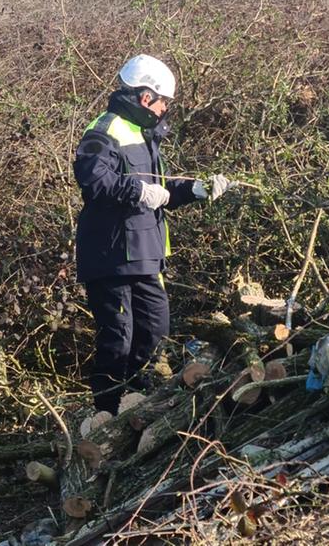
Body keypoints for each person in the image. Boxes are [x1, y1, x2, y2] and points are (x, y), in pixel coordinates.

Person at [74, 54, 236, 415]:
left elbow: (157, 190)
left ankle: (136, 400)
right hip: (110, 256)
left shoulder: (146, 136)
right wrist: (137, 192)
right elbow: (94, 181)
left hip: (144, 255)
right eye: (164, 101)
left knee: (155, 328)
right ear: (146, 98)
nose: (166, 109)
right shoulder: (105, 129)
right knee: (118, 337)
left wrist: (194, 189)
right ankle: (106, 413)